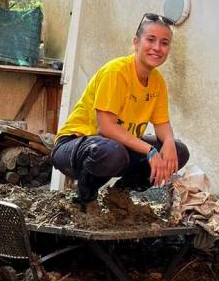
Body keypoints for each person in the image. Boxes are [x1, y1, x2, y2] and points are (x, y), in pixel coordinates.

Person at [51, 13, 189, 205]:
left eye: (164, 43)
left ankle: (119, 196)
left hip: (116, 147)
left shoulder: (157, 82)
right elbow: (106, 128)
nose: (157, 48)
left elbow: (162, 124)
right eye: (151, 40)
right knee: (113, 152)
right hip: (75, 146)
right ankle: (84, 198)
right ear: (136, 42)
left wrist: (169, 143)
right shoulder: (116, 72)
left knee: (179, 151)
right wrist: (150, 151)